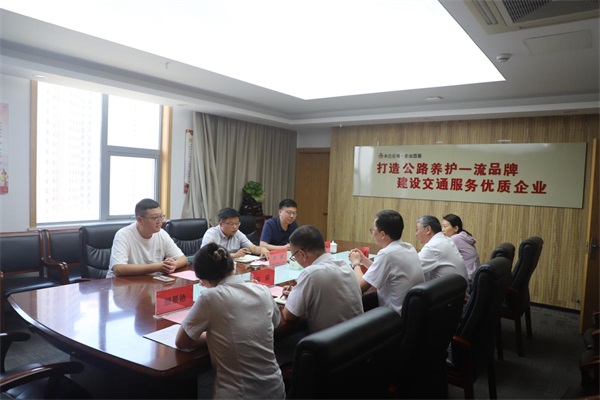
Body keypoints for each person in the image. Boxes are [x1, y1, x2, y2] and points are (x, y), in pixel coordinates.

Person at [175, 243, 285, 399]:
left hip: (239, 394)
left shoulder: (210, 297)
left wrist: (214, 335)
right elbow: (277, 323)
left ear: (204, 280)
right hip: (275, 389)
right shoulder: (263, 290)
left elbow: (182, 341)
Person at [282, 225, 364, 333]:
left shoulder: (311, 274)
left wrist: (294, 298)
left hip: (330, 340)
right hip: (357, 337)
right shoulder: (344, 265)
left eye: (293, 257)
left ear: (302, 254)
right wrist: (298, 294)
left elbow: (288, 315)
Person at [348, 210, 424, 314]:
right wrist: (364, 260)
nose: (372, 233)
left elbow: (359, 288)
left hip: (393, 316)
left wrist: (356, 263)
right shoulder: (408, 247)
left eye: (373, 230)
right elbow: (381, 271)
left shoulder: (387, 254)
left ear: (383, 234)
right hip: (412, 313)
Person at [107, 198, 188, 278]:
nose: (159, 221)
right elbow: (118, 269)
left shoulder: (161, 234)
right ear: (140, 220)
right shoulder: (123, 235)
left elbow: (183, 259)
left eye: (161, 216)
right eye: (154, 218)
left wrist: (173, 265)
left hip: (150, 282)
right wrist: (157, 267)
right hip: (122, 283)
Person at [415, 215, 468, 282]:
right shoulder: (446, 239)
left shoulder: (433, 246)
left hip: (448, 287)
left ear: (428, 230)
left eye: (417, 230)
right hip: (458, 287)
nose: (416, 234)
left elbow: (411, 270)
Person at [201, 207, 269, 260]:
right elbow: (206, 254)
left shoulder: (237, 233)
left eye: (237, 223)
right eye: (231, 224)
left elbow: (253, 248)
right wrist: (234, 255)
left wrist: (262, 249)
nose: (235, 227)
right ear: (221, 224)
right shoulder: (211, 234)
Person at [441, 213, 481, 280]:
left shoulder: (455, 238)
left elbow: (440, 252)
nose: (442, 230)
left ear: (455, 228)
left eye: (445, 226)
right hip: (475, 275)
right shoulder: (463, 235)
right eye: (442, 226)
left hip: (468, 278)